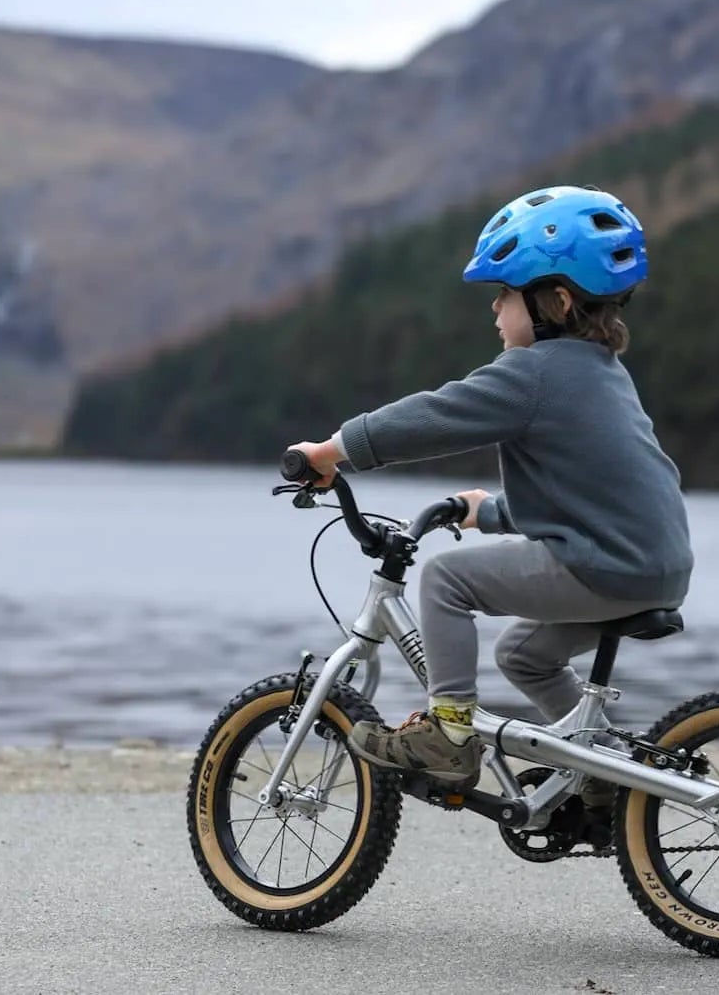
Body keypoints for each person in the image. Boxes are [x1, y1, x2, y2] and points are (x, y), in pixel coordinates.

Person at [285, 184, 693, 793]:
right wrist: (494, 513)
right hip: (653, 562)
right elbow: (590, 493)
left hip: (609, 565)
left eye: (504, 294)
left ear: (555, 301)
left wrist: (332, 449)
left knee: (446, 580)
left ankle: (448, 733)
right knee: (523, 655)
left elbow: (434, 417)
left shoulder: (533, 373)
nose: (494, 310)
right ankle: (603, 768)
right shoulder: (602, 372)